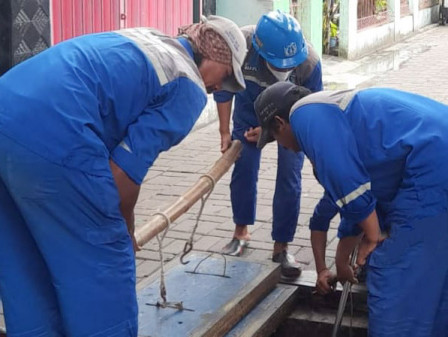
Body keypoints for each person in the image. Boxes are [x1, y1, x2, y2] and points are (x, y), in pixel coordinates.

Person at [0, 16, 247, 337]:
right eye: (225, 78)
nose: (218, 90)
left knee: (24, 262)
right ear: (214, 56)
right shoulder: (187, 84)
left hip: (6, 105)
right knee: (104, 263)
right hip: (57, 132)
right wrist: (124, 232)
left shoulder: (148, 39)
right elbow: (123, 177)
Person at [254, 81, 448, 336]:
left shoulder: (304, 114)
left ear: (280, 122)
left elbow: (346, 181)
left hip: (433, 163)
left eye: (275, 138)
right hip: (432, 158)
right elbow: (358, 201)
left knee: (395, 272)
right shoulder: (333, 112)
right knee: (432, 277)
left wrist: (373, 236)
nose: (282, 145)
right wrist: (341, 261)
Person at [214, 10, 323, 277]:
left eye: (289, 66)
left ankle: (281, 246)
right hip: (249, 112)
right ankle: (241, 232)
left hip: (290, 120)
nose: (284, 70)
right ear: (260, 51)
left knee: (290, 174)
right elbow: (224, 89)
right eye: (279, 64)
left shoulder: (308, 62)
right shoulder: (241, 46)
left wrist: (273, 134)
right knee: (244, 167)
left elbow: (313, 111)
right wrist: (225, 132)